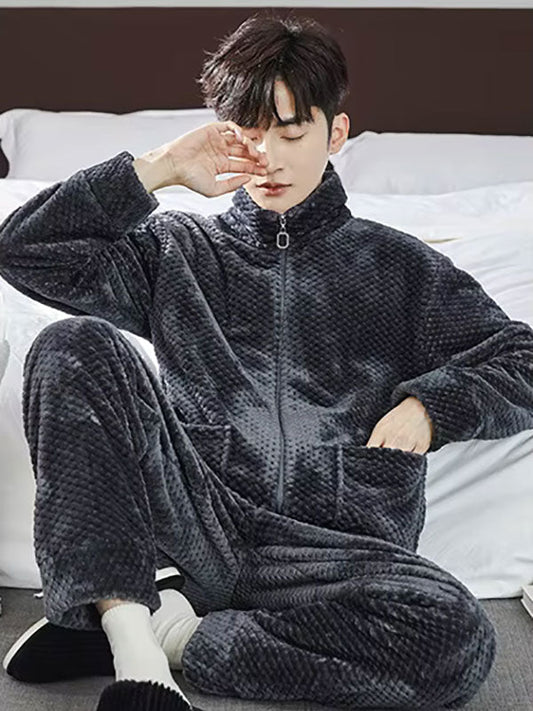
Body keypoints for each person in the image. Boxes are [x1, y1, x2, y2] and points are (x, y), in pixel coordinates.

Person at [1, 10, 532, 711]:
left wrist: (430, 408)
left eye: (290, 132)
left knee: (455, 635)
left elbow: (522, 360)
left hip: (328, 552)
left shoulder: (400, 268)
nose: (269, 157)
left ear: (334, 133)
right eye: (249, 132)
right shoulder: (177, 251)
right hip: (196, 521)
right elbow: (25, 250)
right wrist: (159, 169)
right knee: (71, 344)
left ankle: (177, 635)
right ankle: (135, 652)